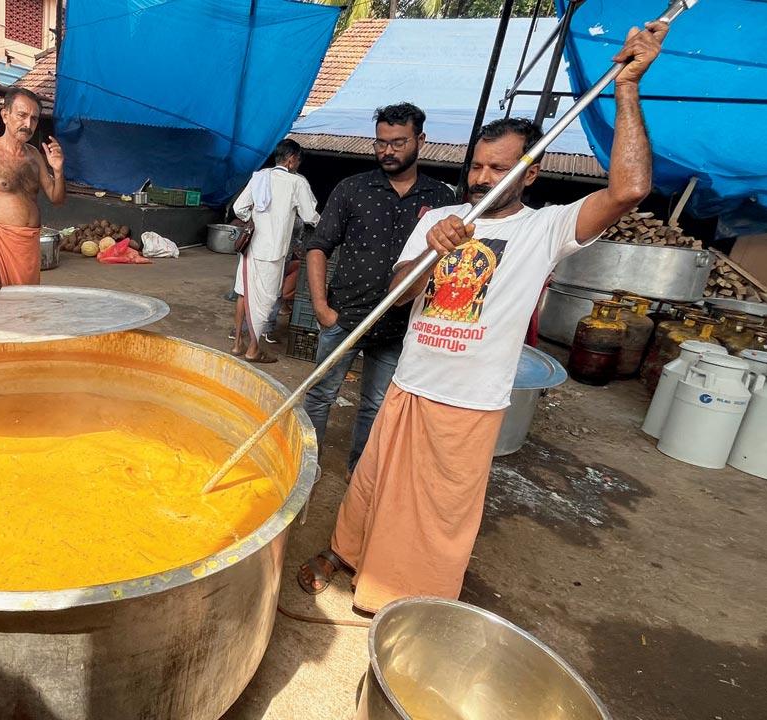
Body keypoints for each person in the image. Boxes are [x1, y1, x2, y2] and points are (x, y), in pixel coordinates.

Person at [298, 22, 669, 611]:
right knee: (373, 482)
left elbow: (628, 190)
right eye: (478, 167)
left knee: (437, 508)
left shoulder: (545, 229)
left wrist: (627, 89)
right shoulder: (439, 219)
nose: (483, 179)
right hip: (411, 382)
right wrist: (429, 251)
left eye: (500, 169)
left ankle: (399, 594)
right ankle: (346, 551)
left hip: (469, 401)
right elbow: (398, 292)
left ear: (531, 172)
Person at [302, 103, 456, 476]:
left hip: (398, 326)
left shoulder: (441, 200)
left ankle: (360, 474)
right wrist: (322, 308)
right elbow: (318, 246)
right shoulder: (352, 189)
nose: (387, 150)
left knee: (375, 404)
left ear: (421, 140)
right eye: (381, 143)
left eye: (398, 142)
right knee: (320, 396)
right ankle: (303, 466)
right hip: (344, 317)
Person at [0, 87, 65, 288]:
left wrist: (59, 171)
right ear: (5, 115)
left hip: (29, 246)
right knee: (2, 313)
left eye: (34, 118)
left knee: (26, 310)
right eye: (22, 115)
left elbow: (56, 198)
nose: (28, 124)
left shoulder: (35, 155)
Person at [229, 139, 320, 363]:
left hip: (250, 248)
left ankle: (236, 344)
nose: (298, 164)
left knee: (244, 292)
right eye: (298, 160)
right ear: (290, 160)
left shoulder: (259, 177)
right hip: (273, 252)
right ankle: (253, 349)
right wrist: (326, 225)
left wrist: (254, 220)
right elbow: (310, 216)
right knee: (265, 300)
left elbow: (239, 208)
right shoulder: (296, 183)